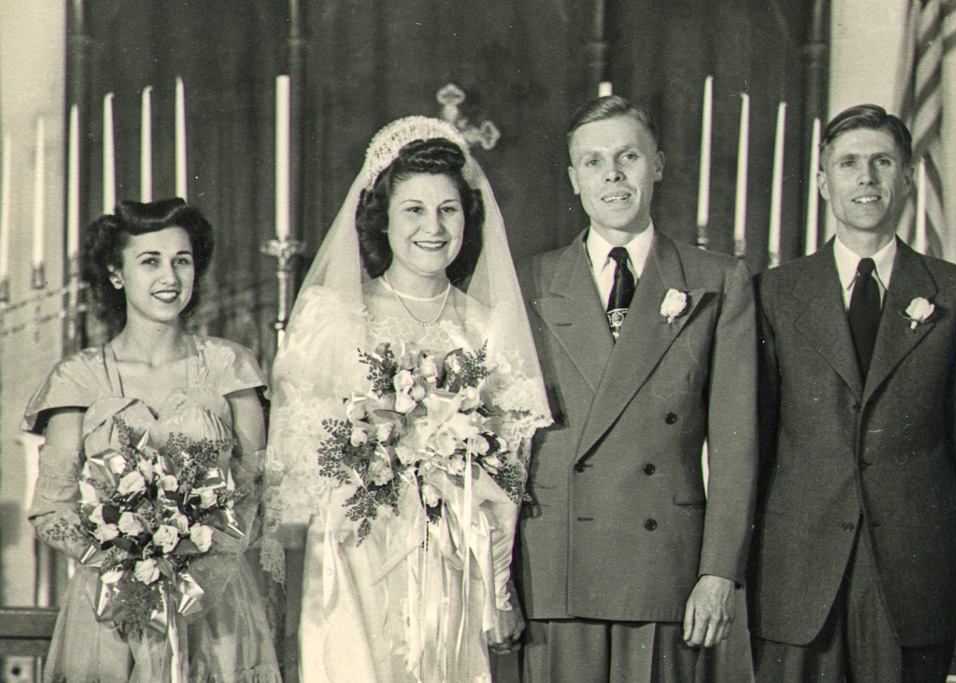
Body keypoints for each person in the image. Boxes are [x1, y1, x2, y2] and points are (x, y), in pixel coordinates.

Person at [261, 117, 551, 682]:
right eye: (414, 209)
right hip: (352, 558)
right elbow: (292, 468)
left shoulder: (487, 329)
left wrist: (496, 583)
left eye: (448, 209)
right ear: (382, 218)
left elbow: (510, 471)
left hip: (451, 561)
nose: (433, 227)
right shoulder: (333, 316)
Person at [748, 104, 956, 681]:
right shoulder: (773, 294)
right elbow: (755, 440)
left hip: (911, 574)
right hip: (797, 572)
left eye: (882, 162)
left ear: (907, 177)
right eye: (849, 163)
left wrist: (913, 512)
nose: (866, 177)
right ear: (822, 181)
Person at [515, 95, 758, 682]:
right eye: (594, 162)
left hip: (667, 574)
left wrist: (719, 572)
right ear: (575, 179)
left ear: (660, 165)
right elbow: (504, 449)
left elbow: (737, 444)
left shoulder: (716, 280)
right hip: (557, 567)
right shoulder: (531, 281)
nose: (613, 175)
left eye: (629, 157)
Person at [24, 198, 280, 682]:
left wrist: (195, 563)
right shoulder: (78, 377)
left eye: (182, 260)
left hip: (218, 606)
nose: (170, 276)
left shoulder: (232, 369)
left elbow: (257, 494)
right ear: (116, 274)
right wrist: (126, 560)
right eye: (150, 261)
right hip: (111, 605)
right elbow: (50, 510)